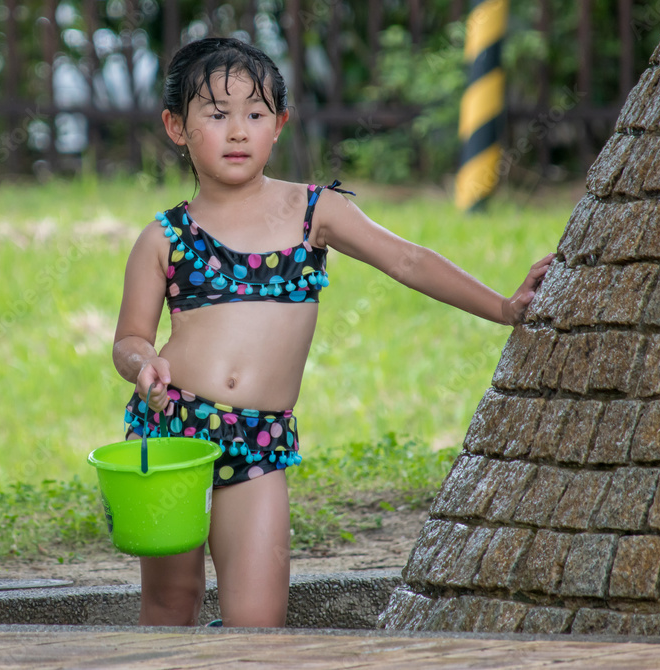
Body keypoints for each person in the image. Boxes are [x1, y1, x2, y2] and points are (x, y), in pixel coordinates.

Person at [112, 36, 553, 628]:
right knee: (170, 603)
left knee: (259, 622)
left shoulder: (313, 210)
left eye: (255, 114)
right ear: (176, 127)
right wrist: (143, 365)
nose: (238, 131)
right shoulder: (164, 237)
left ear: (280, 125)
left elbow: (409, 260)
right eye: (216, 116)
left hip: (258, 443)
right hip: (173, 437)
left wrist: (502, 306)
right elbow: (129, 338)